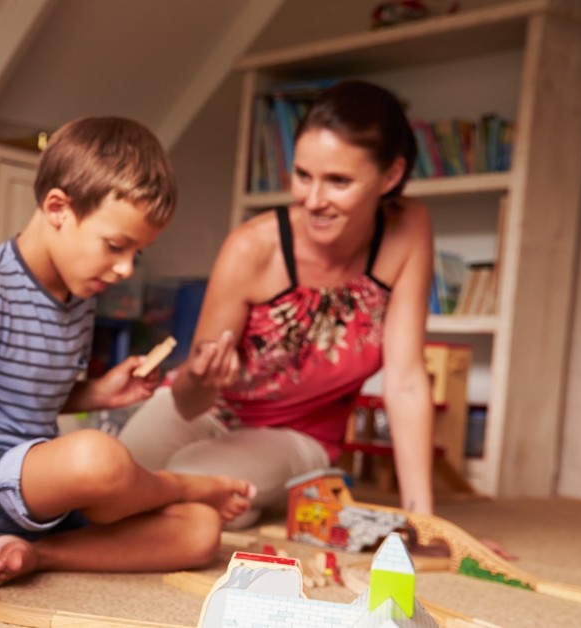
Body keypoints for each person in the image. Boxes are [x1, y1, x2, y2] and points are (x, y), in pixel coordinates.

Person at [0, 116, 256, 601]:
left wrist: (98, 393)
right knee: (98, 457)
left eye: (136, 255)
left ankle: (31, 553)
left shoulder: (79, 298)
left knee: (199, 531)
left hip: (28, 491)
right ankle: (183, 483)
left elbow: (23, 398)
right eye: (116, 247)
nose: (124, 269)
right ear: (58, 208)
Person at [118, 80, 436, 526]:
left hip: (297, 435)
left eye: (339, 181)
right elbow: (191, 402)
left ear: (390, 176)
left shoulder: (408, 229)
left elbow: (405, 381)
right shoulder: (251, 247)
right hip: (209, 408)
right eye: (303, 176)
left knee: (188, 487)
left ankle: (243, 499)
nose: (313, 200)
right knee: (113, 480)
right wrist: (201, 375)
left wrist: (423, 520)